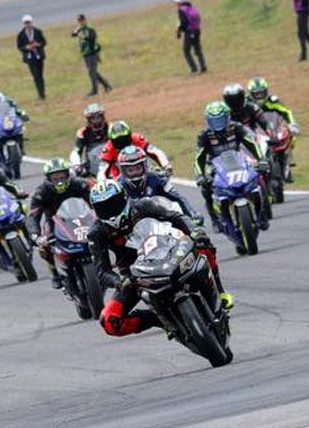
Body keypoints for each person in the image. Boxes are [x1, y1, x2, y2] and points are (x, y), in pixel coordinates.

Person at [88, 180, 231, 338]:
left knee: (204, 244)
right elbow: (102, 272)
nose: (110, 211)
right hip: (135, 275)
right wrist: (119, 281)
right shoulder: (96, 233)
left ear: (124, 198)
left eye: (113, 203)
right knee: (109, 321)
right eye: (103, 207)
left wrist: (194, 231)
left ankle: (220, 291)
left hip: (168, 251)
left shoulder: (143, 205)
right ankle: (159, 320)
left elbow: (175, 217)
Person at [194, 101, 268, 231]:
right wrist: (200, 176)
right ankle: (215, 219)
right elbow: (199, 157)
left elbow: (251, 143)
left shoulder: (236, 127)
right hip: (215, 166)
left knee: (258, 177)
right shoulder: (204, 135)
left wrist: (261, 159)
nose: (218, 124)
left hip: (238, 161)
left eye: (221, 120)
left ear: (227, 117)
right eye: (214, 121)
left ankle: (262, 214)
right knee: (205, 189)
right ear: (208, 121)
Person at [26, 158, 92, 289]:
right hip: (54, 223)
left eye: (62, 177)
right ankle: (54, 273)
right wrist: (36, 236)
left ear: (68, 175)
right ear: (48, 179)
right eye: (55, 179)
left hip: (82, 218)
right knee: (45, 243)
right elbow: (32, 216)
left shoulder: (79, 184)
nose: (59, 181)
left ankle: (105, 263)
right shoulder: (41, 192)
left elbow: (96, 199)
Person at [117, 145, 199, 219]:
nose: (135, 173)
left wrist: (192, 215)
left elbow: (179, 198)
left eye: (138, 168)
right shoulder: (118, 187)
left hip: (161, 221)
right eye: (130, 170)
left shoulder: (157, 179)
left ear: (144, 166)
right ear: (123, 171)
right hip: (133, 229)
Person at [247, 76, 300, 181]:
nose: (259, 96)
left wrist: (292, 123)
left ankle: (288, 161)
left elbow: (286, 111)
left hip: (273, 128)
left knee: (291, 136)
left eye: (261, 93)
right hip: (255, 131)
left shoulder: (273, 101)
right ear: (251, 94)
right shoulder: (247, 104)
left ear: (266, 92)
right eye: (256, 94)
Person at [96, 120, 172, 181]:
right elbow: (102, 170)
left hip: (146, 173)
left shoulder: (136, 138)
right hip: (121, 180)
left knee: (164, 185)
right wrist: (102, 182)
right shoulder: (108, 148)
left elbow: (155, 151)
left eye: (124, 139)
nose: (122, 144)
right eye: (118, 141)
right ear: (111, 140)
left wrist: (166, 166)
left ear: (129, 135)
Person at [72, 14, 112, 96]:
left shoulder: (89, 29)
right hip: (85, 53)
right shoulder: (80, 29)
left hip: (92, 52)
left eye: (82, 20)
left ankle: (95, 90)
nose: (81, 22)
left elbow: (92, 39)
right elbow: (73, 35)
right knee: (93, 72)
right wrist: (77, 30)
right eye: (79, 21)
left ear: (85, 20)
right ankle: (106, 85)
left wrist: (96, 53)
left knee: (92, 72)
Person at [71, 102, 109, 176]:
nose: (96, 121)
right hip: (91, 165)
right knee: (76, 178)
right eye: (93, 118)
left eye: (98, 117)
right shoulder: (83, 132)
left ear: (102, 117)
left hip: (110, 162)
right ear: (88, 120)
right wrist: (77, 165)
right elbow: (76, 151)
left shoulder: (111, 128)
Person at [16, 14, 48, 101]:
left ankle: (43, 92)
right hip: (30, 58)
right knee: (36, 76)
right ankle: (40, 94)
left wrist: (38, 44)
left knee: (40, 75)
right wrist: (26, 48)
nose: (27, 24)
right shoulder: (21, 34)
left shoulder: (38, 31)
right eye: (26, 23)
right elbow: (19, 46)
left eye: (29, 22)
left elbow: (44, 42)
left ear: (31, 22)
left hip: (39, 56)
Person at [174, 0, 207, 74]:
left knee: (186, 51)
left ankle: (194, 69)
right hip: (197, 30)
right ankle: (203, 67)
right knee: (198, 50)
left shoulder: (181, 10)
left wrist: (179, 31)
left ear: (178, 2)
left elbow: (184, 23)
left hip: (189, 32)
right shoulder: (191, 7)